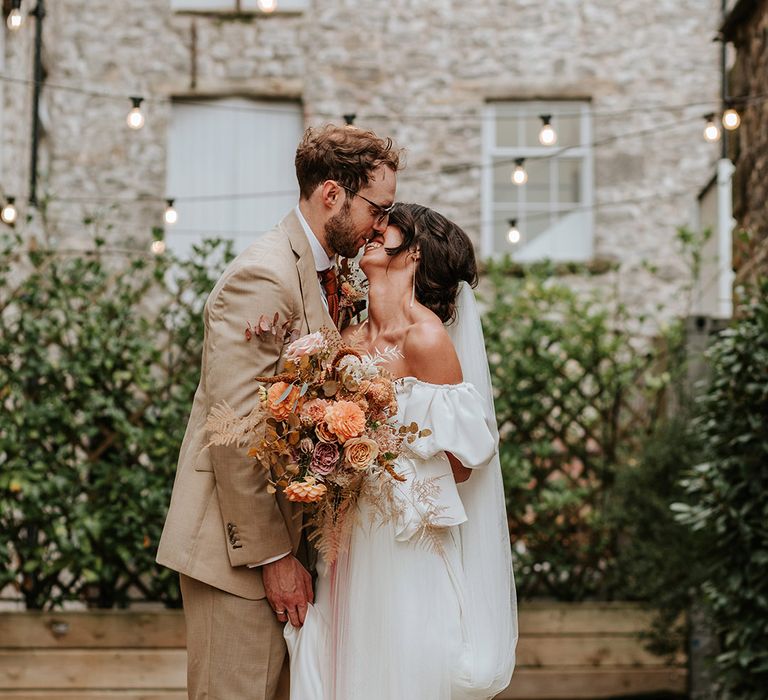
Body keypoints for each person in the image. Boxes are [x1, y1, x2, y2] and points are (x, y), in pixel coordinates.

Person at [156, 124, 401, 700]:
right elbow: (236, 431)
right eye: (378, 208)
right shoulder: (263, 276)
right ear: (332, 195)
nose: (384, 226)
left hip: (298, 549)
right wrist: (275, 558)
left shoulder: (330, 273)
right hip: (239, 556)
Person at [284, 203, 518, 699]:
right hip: (346, 537)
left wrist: (386, 451)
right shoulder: (346, 337)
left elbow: (459, 467)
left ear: (413, 250)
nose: (372, 230)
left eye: (385, 225)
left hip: (404, 540)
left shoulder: (427, 340)